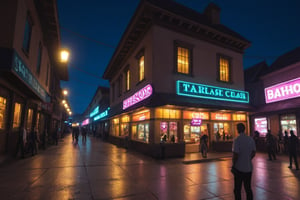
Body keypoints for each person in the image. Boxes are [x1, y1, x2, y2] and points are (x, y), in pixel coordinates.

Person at [232, 123, 256, 200]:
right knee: (248, 188)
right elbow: (253, 152)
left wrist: (234, 165)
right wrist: (248, 159)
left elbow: (235, 154)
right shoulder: (250, 139)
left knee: (237, 189)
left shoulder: (237, 140)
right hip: (249, 168)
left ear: (238, 129)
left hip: (239, 168)